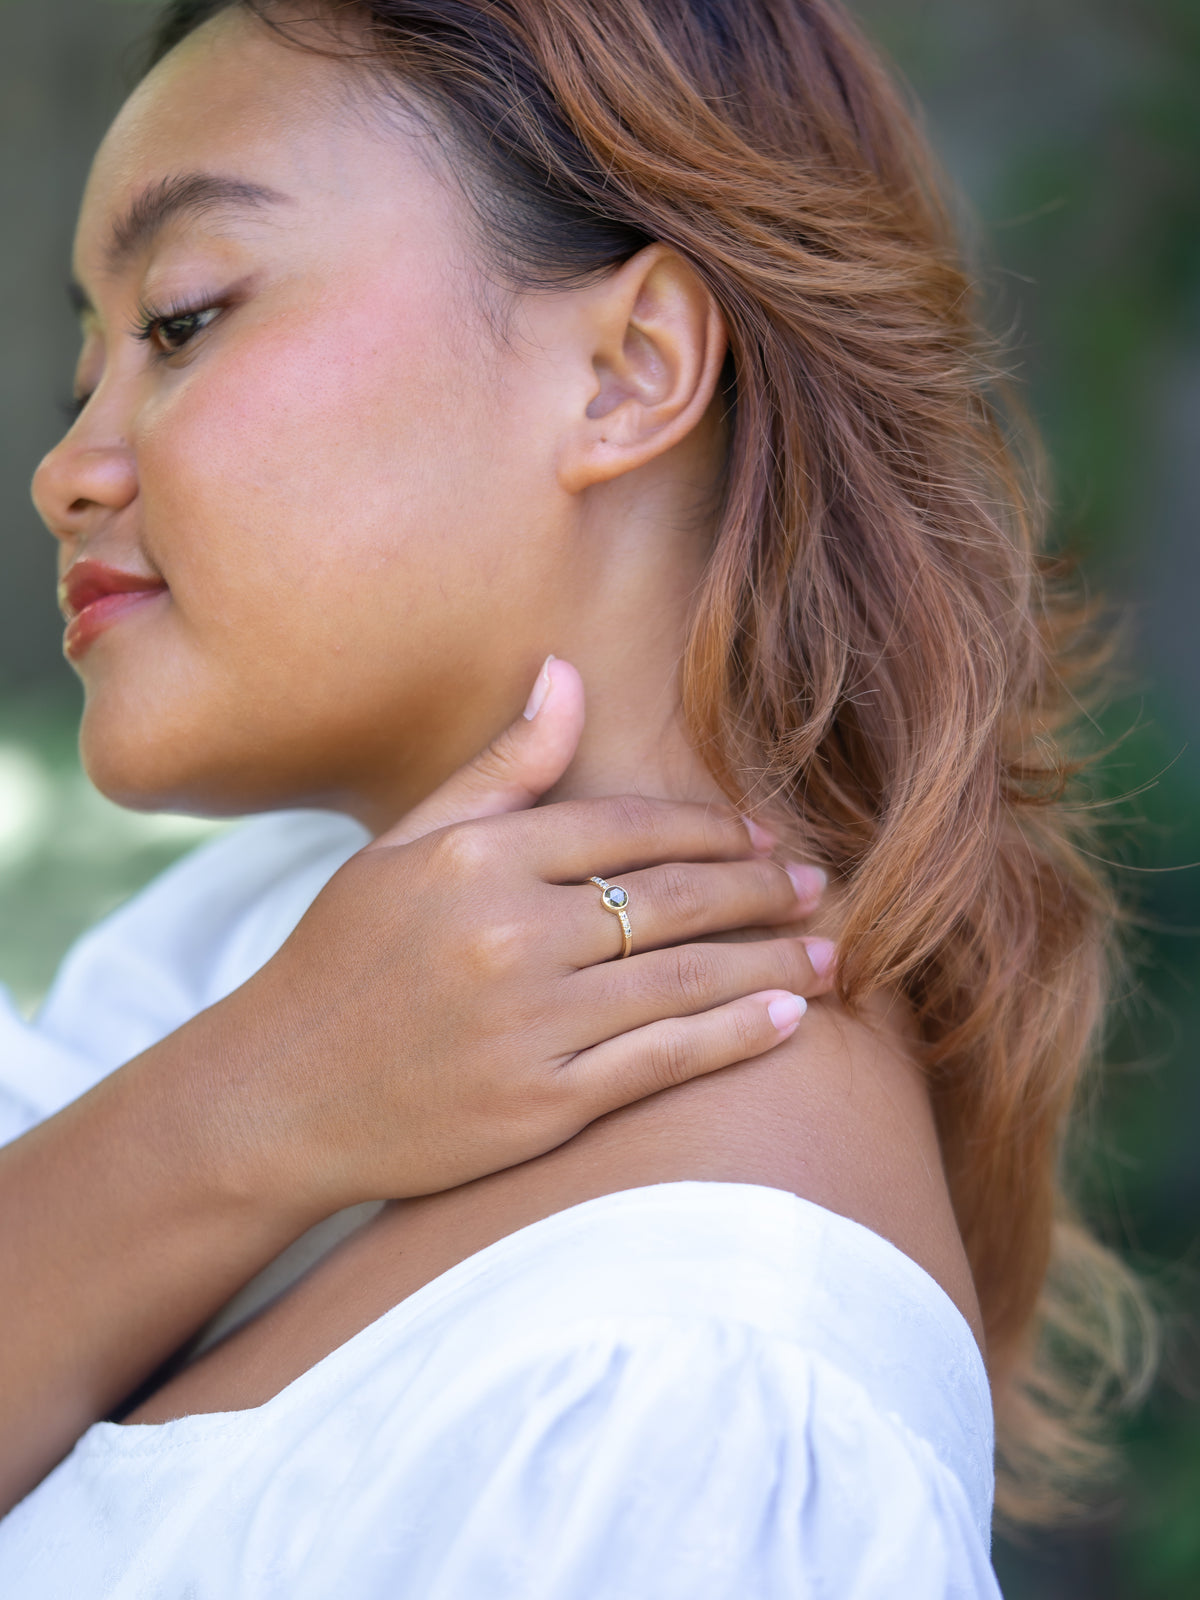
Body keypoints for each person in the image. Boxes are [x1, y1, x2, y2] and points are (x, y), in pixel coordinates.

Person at [0, 0, 1151, 1594]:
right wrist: (250, 1101)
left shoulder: (705, 1405)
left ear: (627, 372)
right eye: (89, 359)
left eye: (182, 319)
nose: (69, 463)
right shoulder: (266, 943)